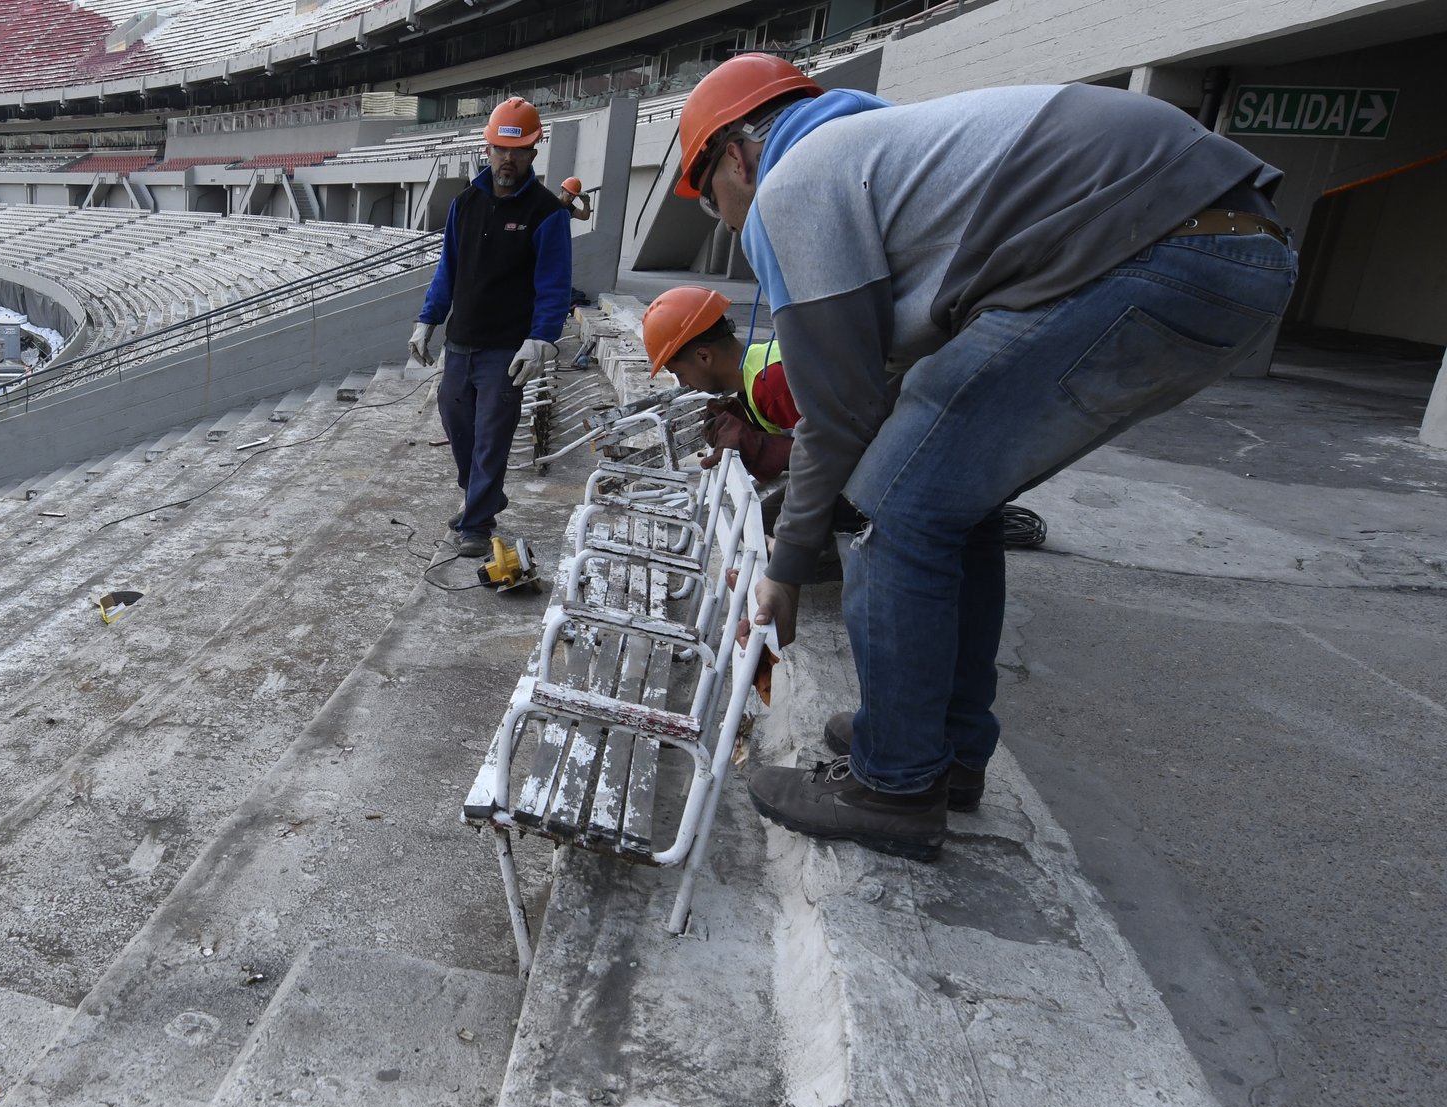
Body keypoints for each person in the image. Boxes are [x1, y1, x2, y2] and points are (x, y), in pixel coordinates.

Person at [675, 53, 1296, 861]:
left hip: (1161, 247)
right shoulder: (877, 150)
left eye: (713, 200)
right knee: (946, 496)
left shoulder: (796, 184)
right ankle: (943, 747)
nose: (727, 223)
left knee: (890, 508)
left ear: (736, 154)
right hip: (1232, 247)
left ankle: (894, 785)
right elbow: (889, 388)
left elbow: (841, 412)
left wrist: (785, 565)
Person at [410, 96, 572, 558]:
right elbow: (449, 269)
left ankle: (477, 521)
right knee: (456, 421)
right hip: (462, 339)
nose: (508, 159)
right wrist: (428, 320)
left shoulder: (547, 212)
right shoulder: (465, 204)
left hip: (507, 345)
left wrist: (542, 337)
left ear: (533, 154)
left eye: (518, 151)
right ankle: (483, 495)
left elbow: (555, 283)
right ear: (487, 150)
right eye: (500, 149)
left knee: (491, 433)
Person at [641, 285, 796, 485]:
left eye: (680, 374)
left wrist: (753, 444)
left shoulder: (771, 382)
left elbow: (828, 454)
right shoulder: (757, 363)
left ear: (704, 356)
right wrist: (748, 422)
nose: (684, 384)